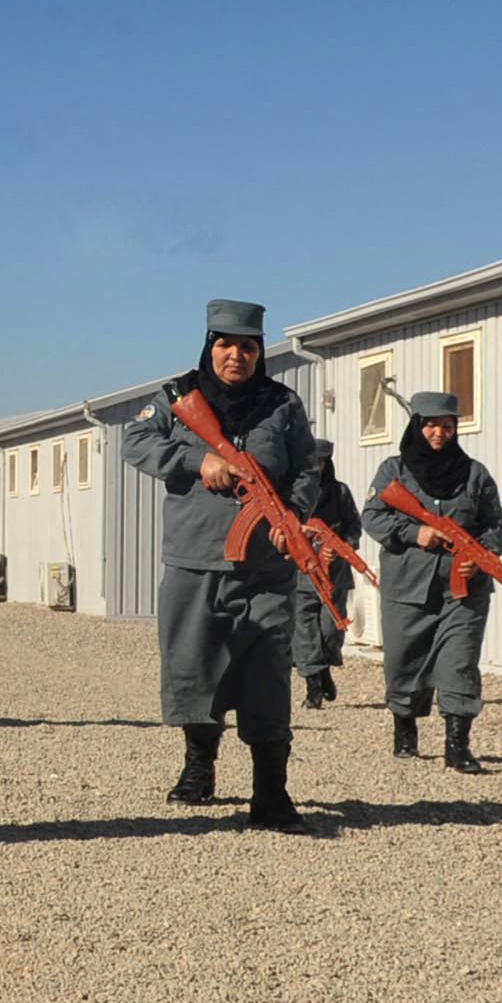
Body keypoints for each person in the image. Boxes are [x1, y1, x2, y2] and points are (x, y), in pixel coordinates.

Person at [120, 300, 320, 829]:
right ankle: (198, 767)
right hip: (195, 560)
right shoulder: (178, 396)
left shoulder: (282, 405)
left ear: (260, 352)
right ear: (209, 346)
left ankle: (271, 793)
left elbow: (306, 468)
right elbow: (135, 441)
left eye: (248, 346)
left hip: (266, 569)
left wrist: (292, 516)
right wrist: (195, 459)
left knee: (268, 673)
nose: (236, 355)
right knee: (195, 667)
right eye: (225, 345)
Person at [363, 391, 502, 774]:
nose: (438, 433)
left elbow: (496, 525)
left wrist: (481, 557)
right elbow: (373, 517)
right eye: (430, 425)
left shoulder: (475, 474)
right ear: (417, 426)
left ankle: (457, 745)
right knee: (402, 661)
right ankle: (405, 728)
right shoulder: (393, 471)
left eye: (447, 426)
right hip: (406, 586)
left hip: (462, 592)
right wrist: (416, 534)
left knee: (460, 662)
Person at [291, 438, 361, 710]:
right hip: (302, 572)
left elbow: (354, 525)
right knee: (305, 631)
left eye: (320, 462)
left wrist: (342, 546)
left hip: (334, 574)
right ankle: (313, 685)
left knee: (330, 629)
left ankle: (324, 669)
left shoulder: (340, 493)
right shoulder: (294, 492)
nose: (316, 468)